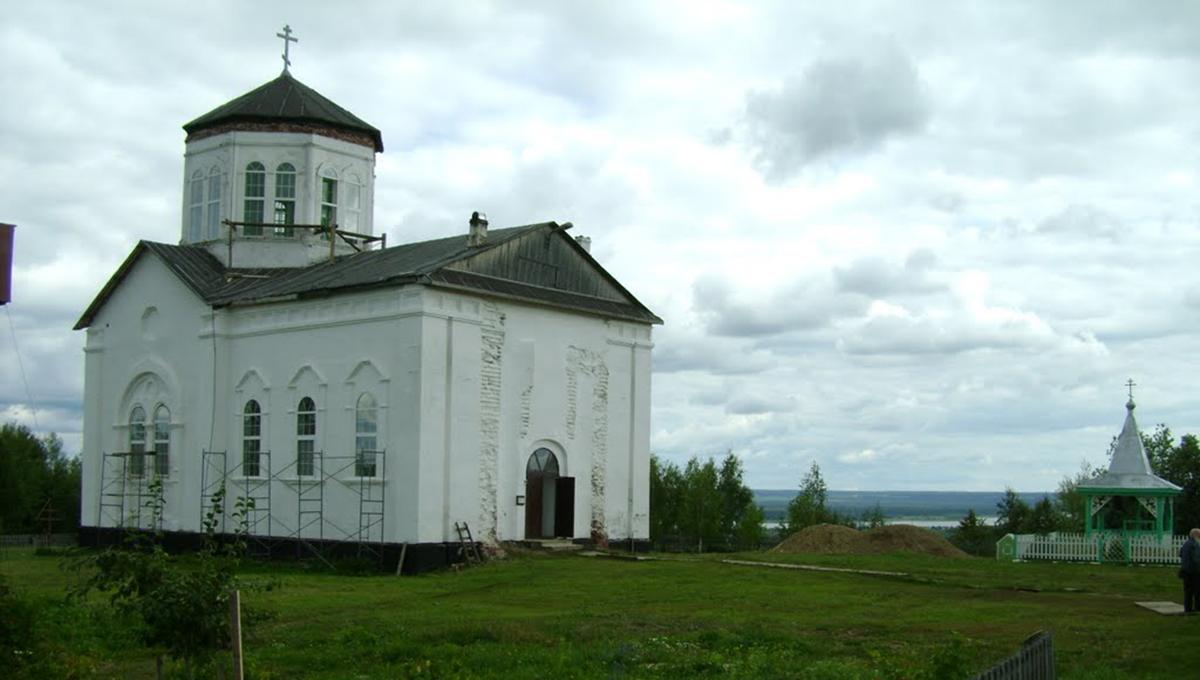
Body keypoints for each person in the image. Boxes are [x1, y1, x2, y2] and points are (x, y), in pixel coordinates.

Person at [1182, 528, 1200, 614]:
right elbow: (1196, 559)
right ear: (1196, 535)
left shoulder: (1186, 543)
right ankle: (1197, 608)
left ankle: (1188, 608)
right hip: (1194, 571)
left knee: (1188, 591)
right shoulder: (1194, 544)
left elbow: (1180, 554)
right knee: (1197, 590)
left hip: (1185, 570)